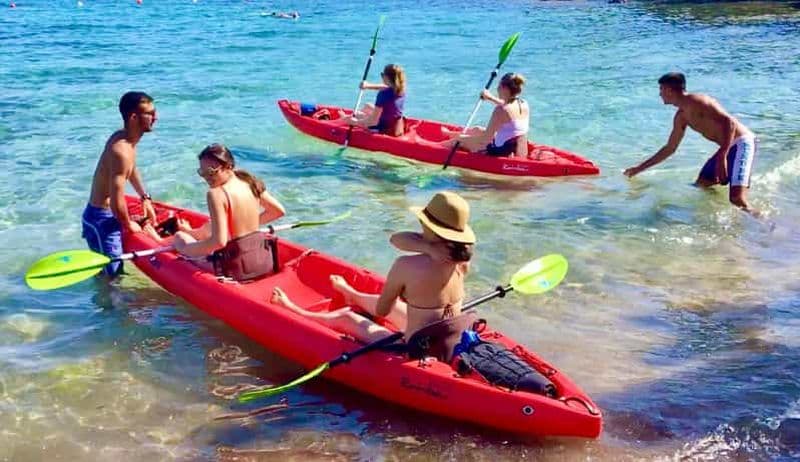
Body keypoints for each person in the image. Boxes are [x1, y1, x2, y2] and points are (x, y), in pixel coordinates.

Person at [270, 191, 475, 344]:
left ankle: (294, 311)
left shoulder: (406, 266)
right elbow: (398, 239)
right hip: (449, 337)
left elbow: (381, 310)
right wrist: (428, 247)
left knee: (346, 317)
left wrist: (425, 249)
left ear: (426, 224)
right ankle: (350, 293)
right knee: (397, 306)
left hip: (415, 348)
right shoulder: (462, 261)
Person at [145, 144, 285, 281]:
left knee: (180, 237)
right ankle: (189, 234)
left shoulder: (216, 194)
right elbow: (277, 211)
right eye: (202, 173)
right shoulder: (250, 182)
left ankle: (160, 241)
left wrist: (185, 248)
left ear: (229, 166)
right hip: (262, 260)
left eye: (211, 171)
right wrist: (244, 225)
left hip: (234, 268)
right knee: (210, 227)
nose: (207, 178)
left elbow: (219, 242)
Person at [624, 72, 758, 212]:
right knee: (702, 184)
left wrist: (722, 156)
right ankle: (718, 216)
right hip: (727, 147)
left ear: (669, 90)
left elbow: (729, 122)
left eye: (661, 89)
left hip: (742, 142)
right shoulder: (681, 117)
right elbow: (670, 148)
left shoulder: (699, 101)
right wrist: (638, 169)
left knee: (737, 199)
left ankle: (767, 224)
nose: (660, 94)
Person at [83, 91, 158, 278]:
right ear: (134, 117)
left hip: (106, 216)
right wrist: (128, 224)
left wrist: (145, 197)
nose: (156, 117)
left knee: (113, 273)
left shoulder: (126, 140)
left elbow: (131, 169)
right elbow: (117, 199)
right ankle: (108, 306)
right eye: (149, 113)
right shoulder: (121, 150)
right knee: (112, 279)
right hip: (101, 221)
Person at [443, 72, 530, 157]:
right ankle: (449, 134)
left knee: (458, 141)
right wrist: (490, 97)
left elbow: (485, 140)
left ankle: (436, 146)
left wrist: (464, 138)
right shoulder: (523, 103)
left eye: (499, 86)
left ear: (504, 88)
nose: (497, 88)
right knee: (477, 130)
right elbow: (507, 105)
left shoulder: (500, 111)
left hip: (499, 151)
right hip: (516, 148)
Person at [341, 64, 407, 137]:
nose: (381, 77)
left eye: (382, 75)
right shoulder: (400, 90)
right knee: (367, 106)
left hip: (383, 129)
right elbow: (386, 87)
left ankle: (347, 118)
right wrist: (368, 86)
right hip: (396, 123)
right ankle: (353, 116)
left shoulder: (383, 94)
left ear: (386, 77)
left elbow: (373, 122)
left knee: (356, 117)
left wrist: (354, 122)